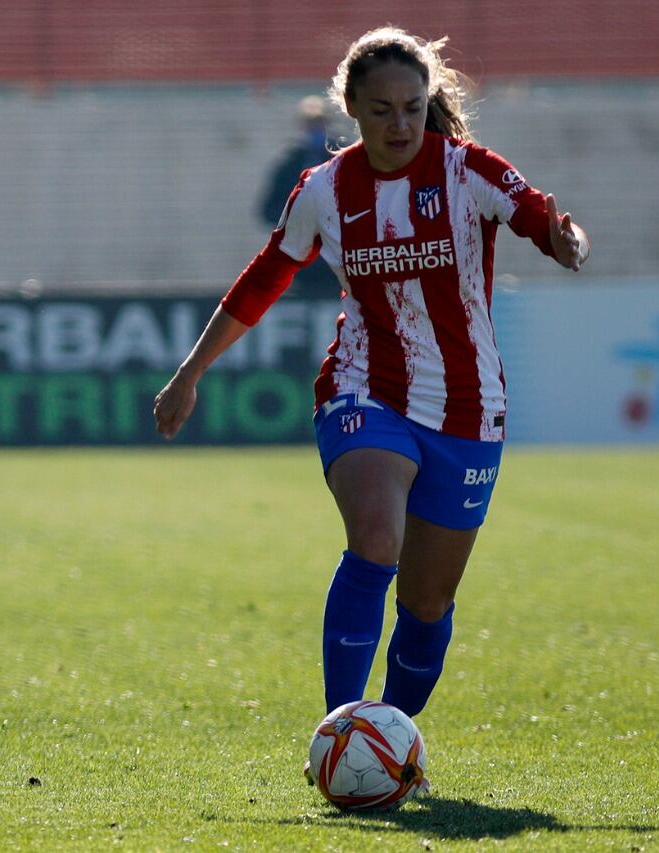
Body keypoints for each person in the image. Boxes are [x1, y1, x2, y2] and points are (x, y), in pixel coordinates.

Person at [154, 25, 588, 762]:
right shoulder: (324, 191)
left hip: (467, 407)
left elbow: (535, 213)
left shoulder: (465, 169)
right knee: (375, 540)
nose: (399, 124)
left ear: (429, 105)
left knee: (426, 604)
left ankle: (386, 736)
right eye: (381, 109)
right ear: (349, 106)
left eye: (413, 108)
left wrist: (563, 238)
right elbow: (266, 277)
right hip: (363, 388)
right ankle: (340, 735)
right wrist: (190, 371)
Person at [257, 95, 342, 299]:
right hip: (305, 261)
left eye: (319, 122)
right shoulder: (289, 164)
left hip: (340, 256)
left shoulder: (343, 158)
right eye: (311, 123)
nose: (316, 128)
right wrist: (297, 217)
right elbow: (267, 210)